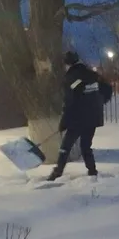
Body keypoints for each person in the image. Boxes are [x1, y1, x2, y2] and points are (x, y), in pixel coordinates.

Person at [47, 51, 113, 181]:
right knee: (86, 146)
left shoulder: (71, 77)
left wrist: (63, 123)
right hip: (93, 117)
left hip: (78, 118)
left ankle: (58, 172)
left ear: (67, 64)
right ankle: (92, 171)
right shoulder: (92, 74)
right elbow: (107, 89)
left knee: (65, 146)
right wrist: (99, 102)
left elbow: (70, 102)